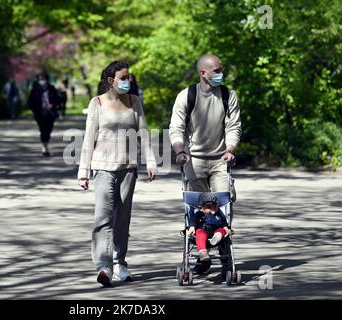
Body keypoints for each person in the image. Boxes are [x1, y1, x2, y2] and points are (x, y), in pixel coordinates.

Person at [77, 61, 158, 287]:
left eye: (129, 77)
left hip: (128, 168)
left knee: (122, 219)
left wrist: (150, 161)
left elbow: (144, 133)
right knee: (103, 218)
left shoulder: (134, 102)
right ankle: (104, 266)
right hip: (103, 168)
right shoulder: (98, 103)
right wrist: (83, 171)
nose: (128, 81)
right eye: (123, 77)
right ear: (111, 80)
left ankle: (120, 262)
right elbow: (88, 138)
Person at [169, 53, 241, 273]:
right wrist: (180, 150)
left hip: (220, 160)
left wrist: (230, 149)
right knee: (198, 210)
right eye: (217, 71)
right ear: (204, 73)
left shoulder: (228, 95)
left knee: (224, 204)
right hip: (194, 161)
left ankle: (223, 246)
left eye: (221, 70)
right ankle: (202, 252)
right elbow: (176, 128)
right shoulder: (187, 96)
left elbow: (233, 127)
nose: (221, 74)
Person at [186, 192, 230, 261]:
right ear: (201, 207)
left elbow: (223, 220)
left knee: (222, 230)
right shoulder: (199, 213)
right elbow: (193, 220)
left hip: (215, 231)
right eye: (209, 207)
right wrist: (192, 227)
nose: (213, 210)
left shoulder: (218, 212)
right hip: (203, 231)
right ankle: (203, 252)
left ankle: (217, 237)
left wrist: (225, 227)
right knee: (199, 232)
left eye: (214, 207)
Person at [27, 72, 60, 157]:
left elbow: (57, 100)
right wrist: (36, 110)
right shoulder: (35, 89)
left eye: (43, 78)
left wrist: (53, 105)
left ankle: (46, 142)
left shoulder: (51, 88)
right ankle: (44, 147)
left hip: (50, 113)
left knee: (48, 129)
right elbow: (30, 102)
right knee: (42, 129)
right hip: (40, 113)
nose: (42, 80)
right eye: (40, 78)